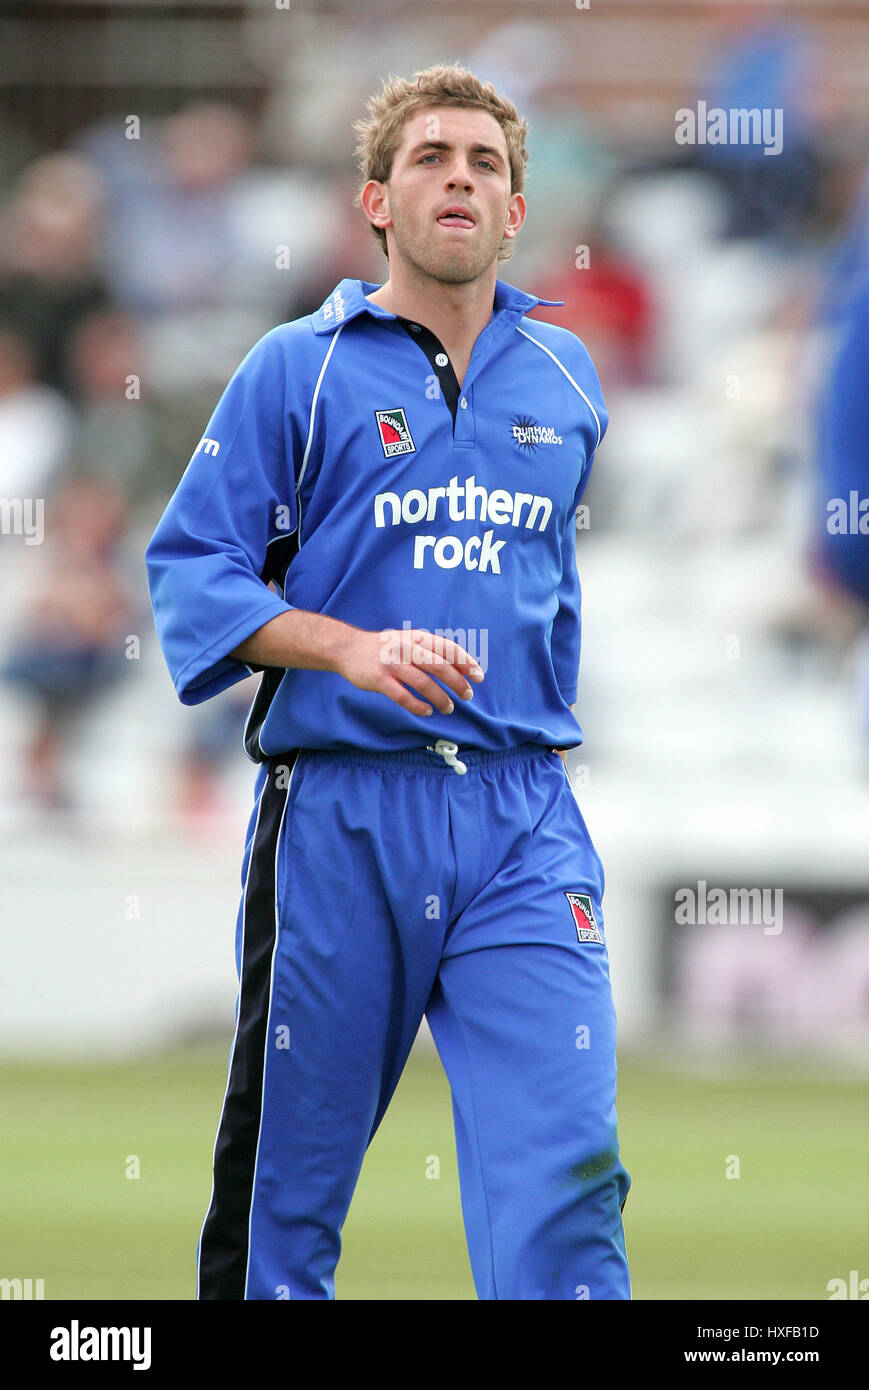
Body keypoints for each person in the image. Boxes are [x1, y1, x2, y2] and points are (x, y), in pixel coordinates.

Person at [146, 62, 631, 1301]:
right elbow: (194, 568)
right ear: (375, 200)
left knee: (566, 1175)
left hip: (522, 818)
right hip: (343, 813)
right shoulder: (295, 368)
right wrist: (347, 646)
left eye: (483, 163)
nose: (458, 177)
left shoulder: (568, 380)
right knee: (284, 1205)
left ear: (517, 210)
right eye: (429, 158)